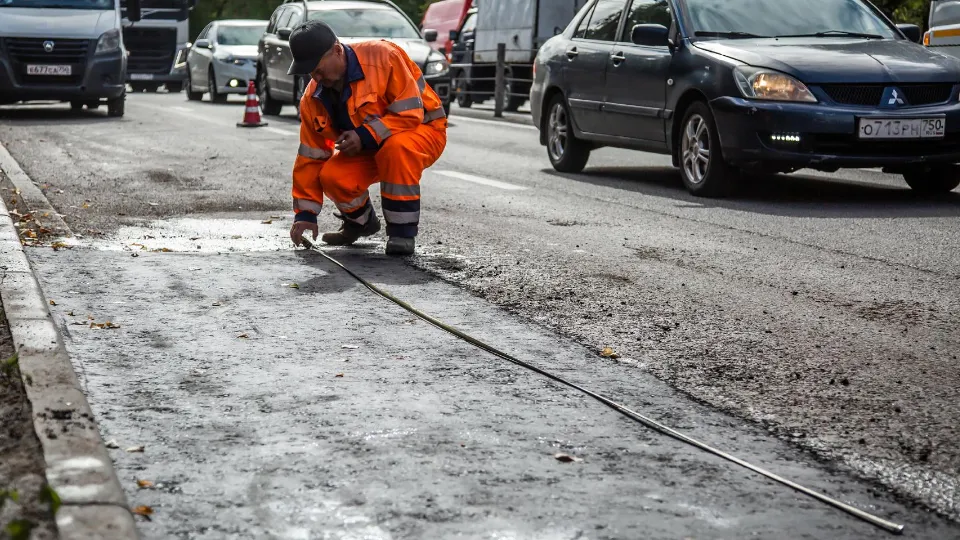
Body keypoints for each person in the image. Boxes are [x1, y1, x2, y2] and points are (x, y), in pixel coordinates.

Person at [286, 20, 448, 256]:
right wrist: (305, 215)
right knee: (332, 176)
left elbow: (411, 114)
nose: (316, 77)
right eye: (311, 72)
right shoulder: (313, 99)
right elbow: (311, 155)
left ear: (337, 50)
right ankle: (361, 224)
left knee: (396, 148)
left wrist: (364, 135)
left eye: (319, 69)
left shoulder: (383, 56)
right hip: (374, 146)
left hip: (422, 131)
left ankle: (401, 234)